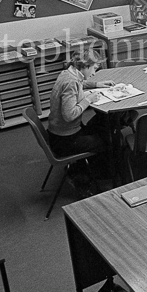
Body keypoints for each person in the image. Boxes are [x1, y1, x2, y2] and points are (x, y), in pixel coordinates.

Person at [47, 48, 115, 195]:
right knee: (108, 139)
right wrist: (87, 100)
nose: (94, 73)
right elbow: (69, 115)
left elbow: (80, 84)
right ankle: (89, 177)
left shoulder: (68, 73)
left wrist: (97, 84)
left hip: (58, 133)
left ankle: (82, 170)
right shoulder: (71, 82)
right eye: (94, 69)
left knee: (99, 124)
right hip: (66, 140)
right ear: (85, 66)